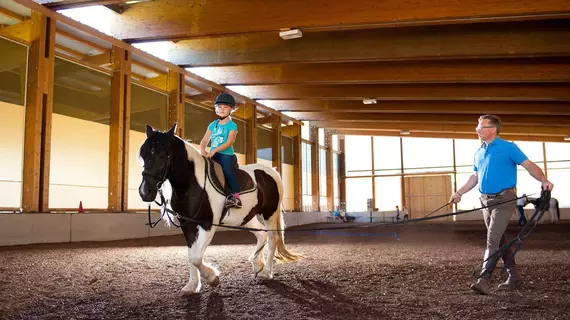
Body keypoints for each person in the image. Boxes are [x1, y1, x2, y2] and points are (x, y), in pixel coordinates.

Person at [449, 114, 553, 295]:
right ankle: (514, 277)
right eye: (477, 126)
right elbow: (475, 177)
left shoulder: (508, 147)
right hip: (485, 201)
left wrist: (543, 179)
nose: (477, 129)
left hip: (504, 199)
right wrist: (459, 193)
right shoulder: (479, 151)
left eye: (481, 126)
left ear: (493, 129)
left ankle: (483, 280)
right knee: (500, 239)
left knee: (493, 240)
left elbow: (528, 165)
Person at [200, 92, 242, 208]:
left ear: (231, 109)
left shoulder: (232, 125)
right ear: (216, 109)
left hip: (225, 155)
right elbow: (204, 141)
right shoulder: (213, 125)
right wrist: (203, 151)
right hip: (213, 153)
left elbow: (229, 142)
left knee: (227, 172)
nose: (222, 109)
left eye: (225, 107)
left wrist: (214, 150)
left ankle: (236, 197)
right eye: (219, 107)